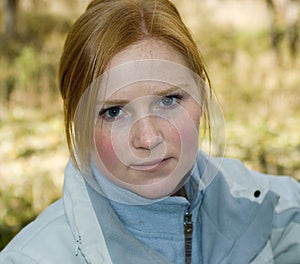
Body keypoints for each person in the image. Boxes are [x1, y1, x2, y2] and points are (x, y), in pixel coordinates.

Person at [1, 0, 300, 263]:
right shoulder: (32, 258)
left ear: (201, 96)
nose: (148, 139)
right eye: (114, 112)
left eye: (169, 100)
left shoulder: (280, 211)